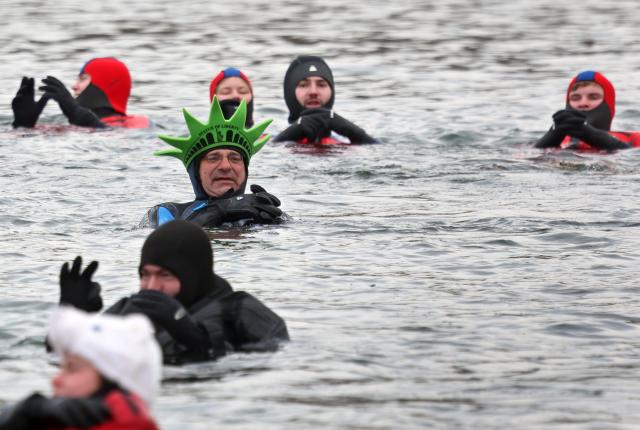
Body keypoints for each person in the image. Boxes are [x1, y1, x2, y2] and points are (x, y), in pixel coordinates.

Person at [58, 220, 289, 365]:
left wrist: (191, 335)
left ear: (192, 275)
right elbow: (72, 364)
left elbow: (276, 361)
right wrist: (72, 318)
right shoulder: (133, 310)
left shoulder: (240, 310)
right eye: (145, 274)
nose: (151, 286)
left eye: (165, 275)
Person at [0, 306, 160, 430]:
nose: (56, 380)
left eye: (72, 368)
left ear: (111, 379)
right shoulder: (54, 420)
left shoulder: (129, 422)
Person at [141, 95, 284, 228]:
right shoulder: (166, 213)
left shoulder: (264, 212)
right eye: (213, 158)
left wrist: (278, 222)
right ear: (194, 170)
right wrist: (217, 211)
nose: (225, 166)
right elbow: (165, 244)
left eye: (235, 158)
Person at [11, 57, 149, 129]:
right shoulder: (68, 127)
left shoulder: (138, 123)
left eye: (82, 79)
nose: (73, 86)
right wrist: (23, 125)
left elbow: (121, 140)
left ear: (107, 84)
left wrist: (78, 114)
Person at [273, 55, 377, 144]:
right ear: (290, 92)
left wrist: (354, 132)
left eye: (321, 85)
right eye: (303, 85)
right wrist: (291, 133)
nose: (313, 92)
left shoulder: (346, 143)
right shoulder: (269, 141)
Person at [534, 70, 640, 151]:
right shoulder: (553, 139)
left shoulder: (633, 138)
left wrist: (592, 135)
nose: (583, 103)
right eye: (575, 98)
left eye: (593, 97)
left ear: (608, 104)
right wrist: (553, 134)